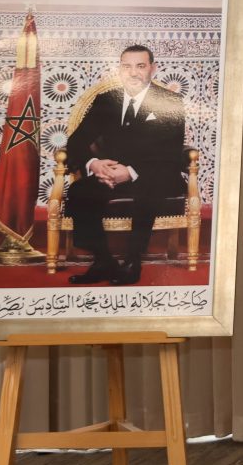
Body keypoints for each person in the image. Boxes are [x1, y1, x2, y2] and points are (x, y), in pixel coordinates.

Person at [65, 45, 187, 285]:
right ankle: (102, 260)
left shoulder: (170, 101)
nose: (133, 73)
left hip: (155, 173)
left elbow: (169, 152)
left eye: (140, 66)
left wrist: (130, 172)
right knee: (80, 190)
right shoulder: (106, 100)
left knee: (147, 188)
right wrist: (95, 164)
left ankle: (133, 260)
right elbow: (76, 141)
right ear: (119, 69)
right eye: (127, 66)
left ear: (153, 68)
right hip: (111, 173)